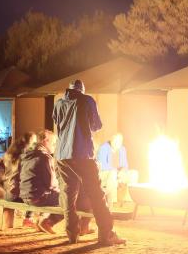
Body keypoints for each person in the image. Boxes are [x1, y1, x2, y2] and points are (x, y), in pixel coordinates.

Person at [52, 79, 125, 245]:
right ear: (82, 91)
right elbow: (97, 125)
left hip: (62, 154)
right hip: (82, 153)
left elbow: (58, 124)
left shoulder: (58, 103)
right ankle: (106, 234)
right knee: (97, 195)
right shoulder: (87, 100)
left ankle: (72, 235)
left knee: (68, 194)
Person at [19, 130, 63, 234]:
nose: (55, 145)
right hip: (37, 197)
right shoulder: (44, 157)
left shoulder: (27, 155)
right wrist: (61, 189)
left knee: (50, 193)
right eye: (53, 142)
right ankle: (48, 222)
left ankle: (39, 222)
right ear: (45, 141)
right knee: (68, 199)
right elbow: (51, 184)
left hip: (25, 196)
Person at [0, 132, 37, 227]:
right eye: (34, 141)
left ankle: (8, 226)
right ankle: (28, 218)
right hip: (23, 195)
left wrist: (0, 184)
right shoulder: (28, 156)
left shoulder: (8, 154)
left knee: (10, 199)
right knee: (36, 191)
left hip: (9, 194)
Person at [97, 133, 138, 208]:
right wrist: (116, 171)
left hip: (117, 173)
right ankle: (113, 201)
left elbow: (125, 165)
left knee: (134, 173)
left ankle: (128, 200)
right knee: (113, 173)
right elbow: (102, 166)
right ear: (111, 141)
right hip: (105, 174)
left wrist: (123, 171)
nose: (117, 144)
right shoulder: (104, 148)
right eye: (115, 142)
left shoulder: (122, 149)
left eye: (119, 142)